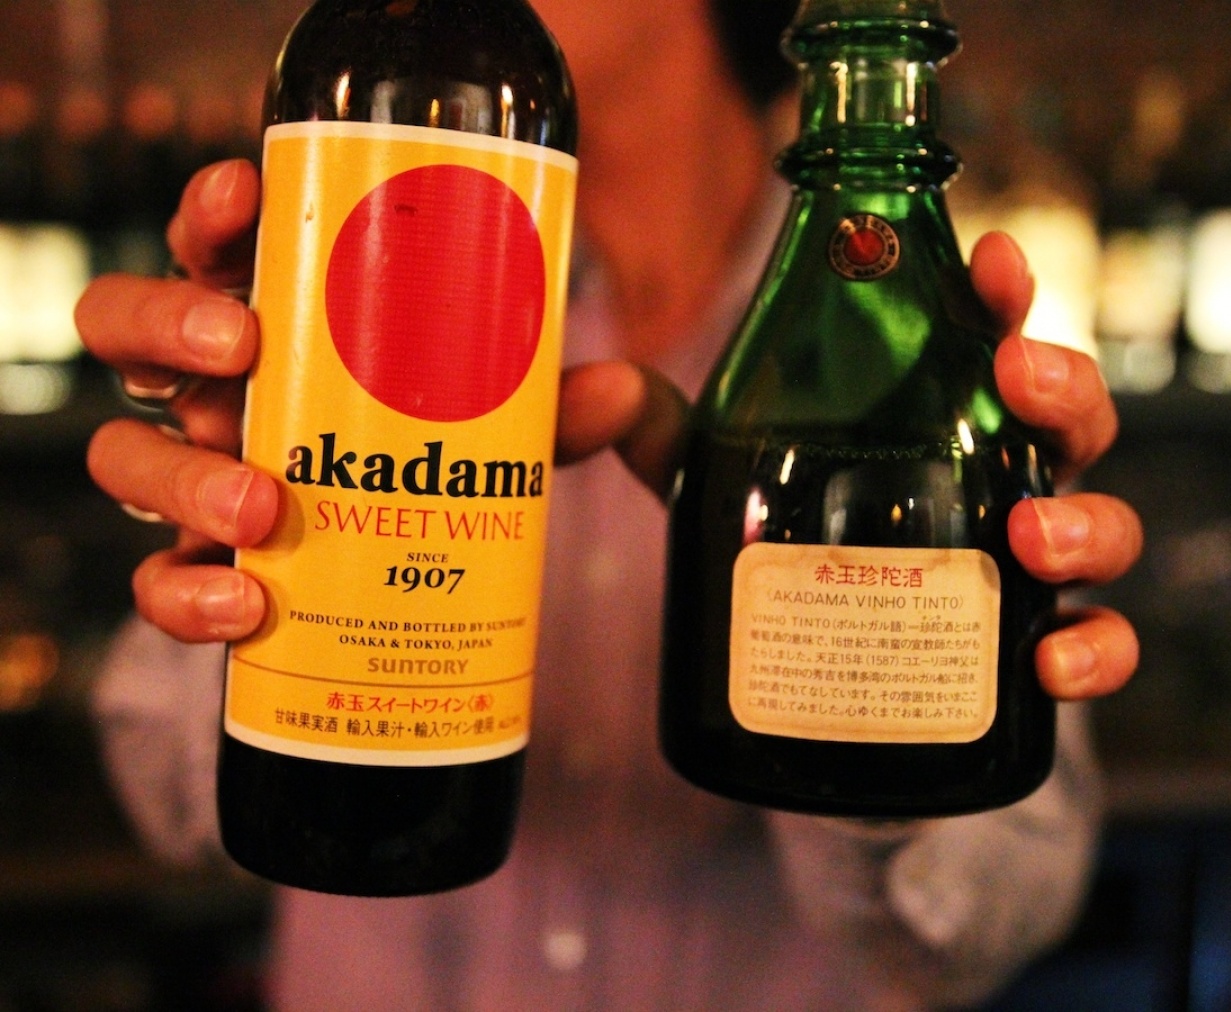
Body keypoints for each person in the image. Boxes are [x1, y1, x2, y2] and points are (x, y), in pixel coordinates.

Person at [76, 1, 1143, 1008]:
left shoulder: (901, 336)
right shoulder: (376, 244)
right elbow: (173, 803)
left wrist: (870, 715)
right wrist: (231, 530)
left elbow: (991, 914)